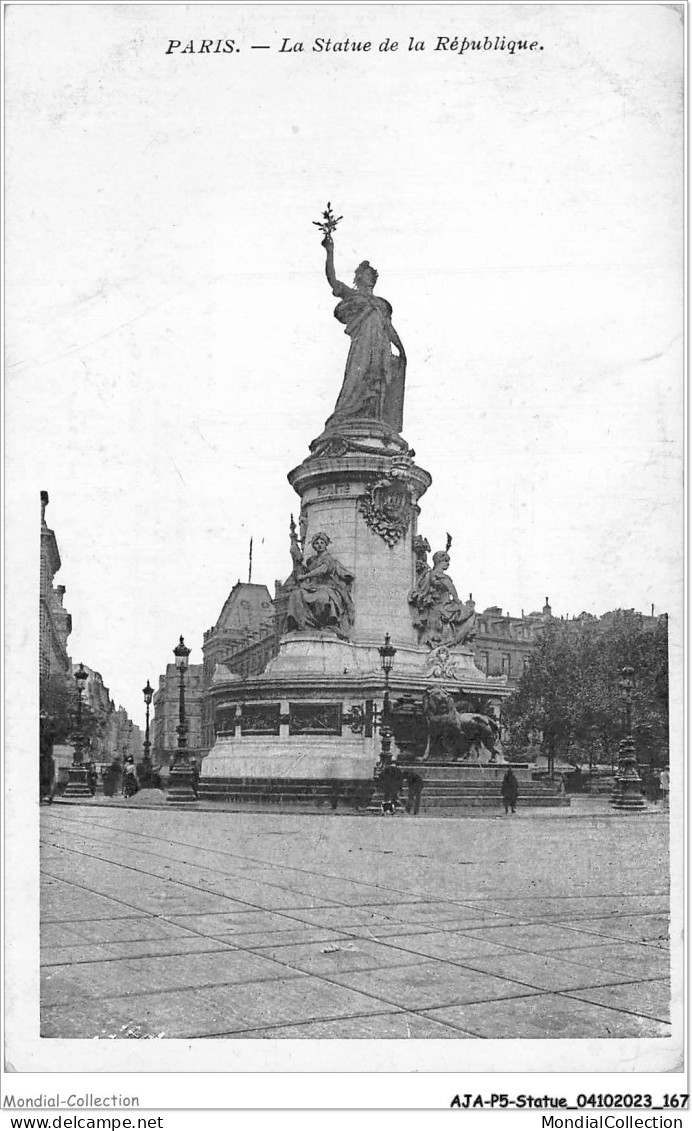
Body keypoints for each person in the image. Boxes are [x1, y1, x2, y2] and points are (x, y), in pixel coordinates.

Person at [322, 233, 406, 432]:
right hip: (362, 345)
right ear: (359, 277)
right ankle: (349, 413)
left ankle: (371, 417)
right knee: (357, 377)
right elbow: (333, 280)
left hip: (380, 347)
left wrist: (401, 348)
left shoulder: (381, 304)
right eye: (367, 275)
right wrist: (330, 251)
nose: (371, 279)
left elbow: (389, 328)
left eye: (373, 276)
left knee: (377, 379)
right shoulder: (354, 295)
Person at [286, 532, 354, 637]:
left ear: (326, 544)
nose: (319, 545)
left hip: (329, 587)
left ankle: (325, 624)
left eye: (322, 542)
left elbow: (322, 570)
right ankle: (303, 625)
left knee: (322, 598)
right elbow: (303, 570)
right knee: (296, 594)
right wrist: (296, 559)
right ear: (314, 546)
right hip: (313, 586)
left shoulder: (328, 558)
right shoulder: (311, 560)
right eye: (317, 543)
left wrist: (304, 577)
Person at [408, 550, 476, 648]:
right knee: (470, 613)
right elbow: (450, 587)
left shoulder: (429, 573)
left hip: (439, 605)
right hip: (443, 606)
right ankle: (456, 641)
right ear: (439, 561)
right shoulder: (440, 575)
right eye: (446, 561)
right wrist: (457, 600)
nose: (448, 564)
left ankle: (457, 641)